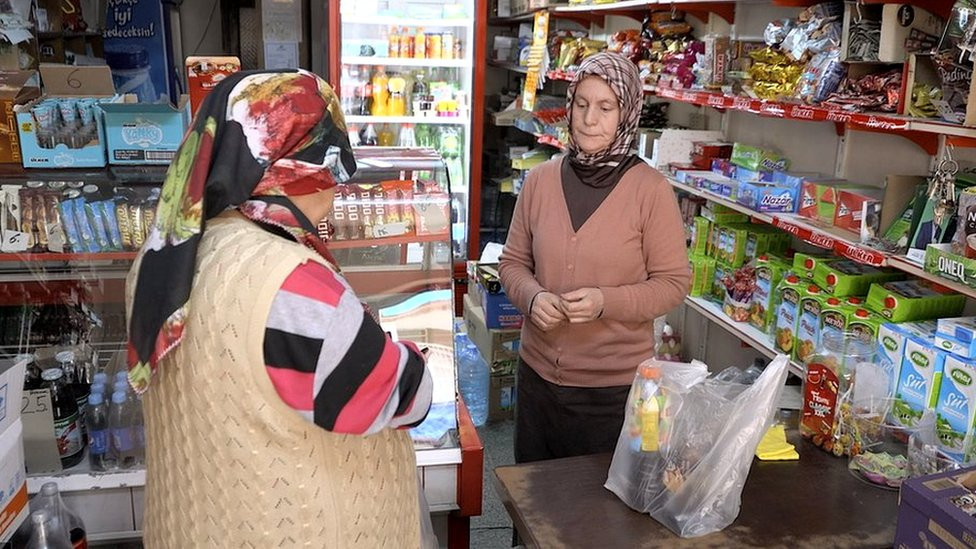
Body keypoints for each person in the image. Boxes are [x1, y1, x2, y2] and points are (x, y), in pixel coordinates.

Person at [125, 69, 433, 547]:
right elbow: (404, 396)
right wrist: (410, 357)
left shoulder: (163, 255)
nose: (338, 183)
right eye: (333, 162)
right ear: (301, 165)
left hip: (190, 526)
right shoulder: (291, 284)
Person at [499, 52, 690, 463]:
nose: (589, 119)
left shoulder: (650, 191)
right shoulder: (540, 181)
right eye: (582, 104)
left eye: (606, 107)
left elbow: (673, 284)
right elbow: (512, 263)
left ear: (627, 114)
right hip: (537, 383)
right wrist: (532, 297)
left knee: (596, 502)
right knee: (532, 494)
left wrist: (606, 302)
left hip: (612, 393)